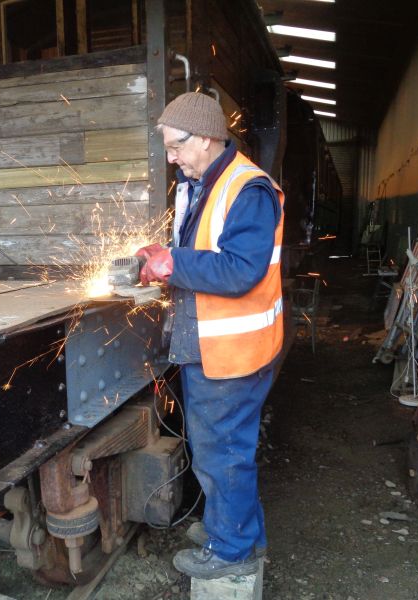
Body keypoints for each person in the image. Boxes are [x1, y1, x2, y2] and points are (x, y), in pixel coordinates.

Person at [136, 91, 285, 580]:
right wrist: (167, 257)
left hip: (233, 354)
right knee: (219, 451)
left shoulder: (249, 189)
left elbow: (241, 270)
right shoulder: (198, 183)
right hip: (207, 346)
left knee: (223, 455)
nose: (171, 157)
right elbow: (202, 252)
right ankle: (240, 531)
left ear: (205, 138)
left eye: (176, 146)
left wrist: (173, 263)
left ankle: (231, 550)